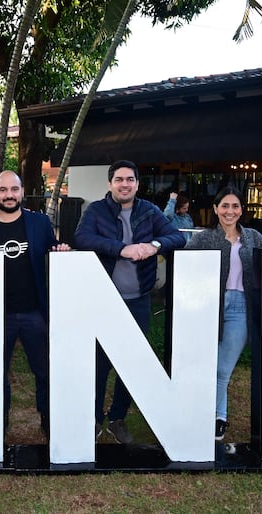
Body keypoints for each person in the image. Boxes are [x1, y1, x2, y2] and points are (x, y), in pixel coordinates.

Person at [74, 160, 185, 444]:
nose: (125, 184)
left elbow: (177, 237)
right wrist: (122, 249)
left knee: (132, 363)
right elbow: (81, 238)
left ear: (137, 183)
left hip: (138, 300)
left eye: (130, 179)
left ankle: (118, 417)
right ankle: (94, 417)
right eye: (119, 179)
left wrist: (154, 246)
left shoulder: (149, 210)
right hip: (103, 299)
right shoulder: (97, 210)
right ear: (110, 183)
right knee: (99, 363)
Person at [0, 170, 70, 438]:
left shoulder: (40, 223)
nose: (9, 195)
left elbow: (52, 250)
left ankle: (48, 417)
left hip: (35, 312)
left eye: (14, 189)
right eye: (3, 190)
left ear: (22, 192)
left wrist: (61, 250)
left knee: (44, 370)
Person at [184, 185, 262, 441]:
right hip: (209, 306)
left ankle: (216, 416)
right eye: (225, 206)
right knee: (206, 364)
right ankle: (209, 414)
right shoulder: (203, 239)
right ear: (215, 209)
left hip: (241, 306)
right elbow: (186, 269)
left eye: (235, 206)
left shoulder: (253, 237)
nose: (230, 211)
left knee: (222, 368)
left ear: (242, 210)